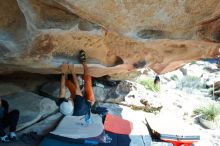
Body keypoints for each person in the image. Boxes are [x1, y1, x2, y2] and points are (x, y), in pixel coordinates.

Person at [57, 50, 95, 119]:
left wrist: (63, 72)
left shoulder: (62, 106)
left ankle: (66, 74)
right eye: (69, 100)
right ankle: (84, 62)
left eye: (66, 99)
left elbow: (62, 89)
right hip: (88, 103)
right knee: (87, 82)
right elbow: (77, 87)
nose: (68, 98)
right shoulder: (80, 105)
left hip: (76, 104)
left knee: (68, 83)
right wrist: (72, 70)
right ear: (73, 105)